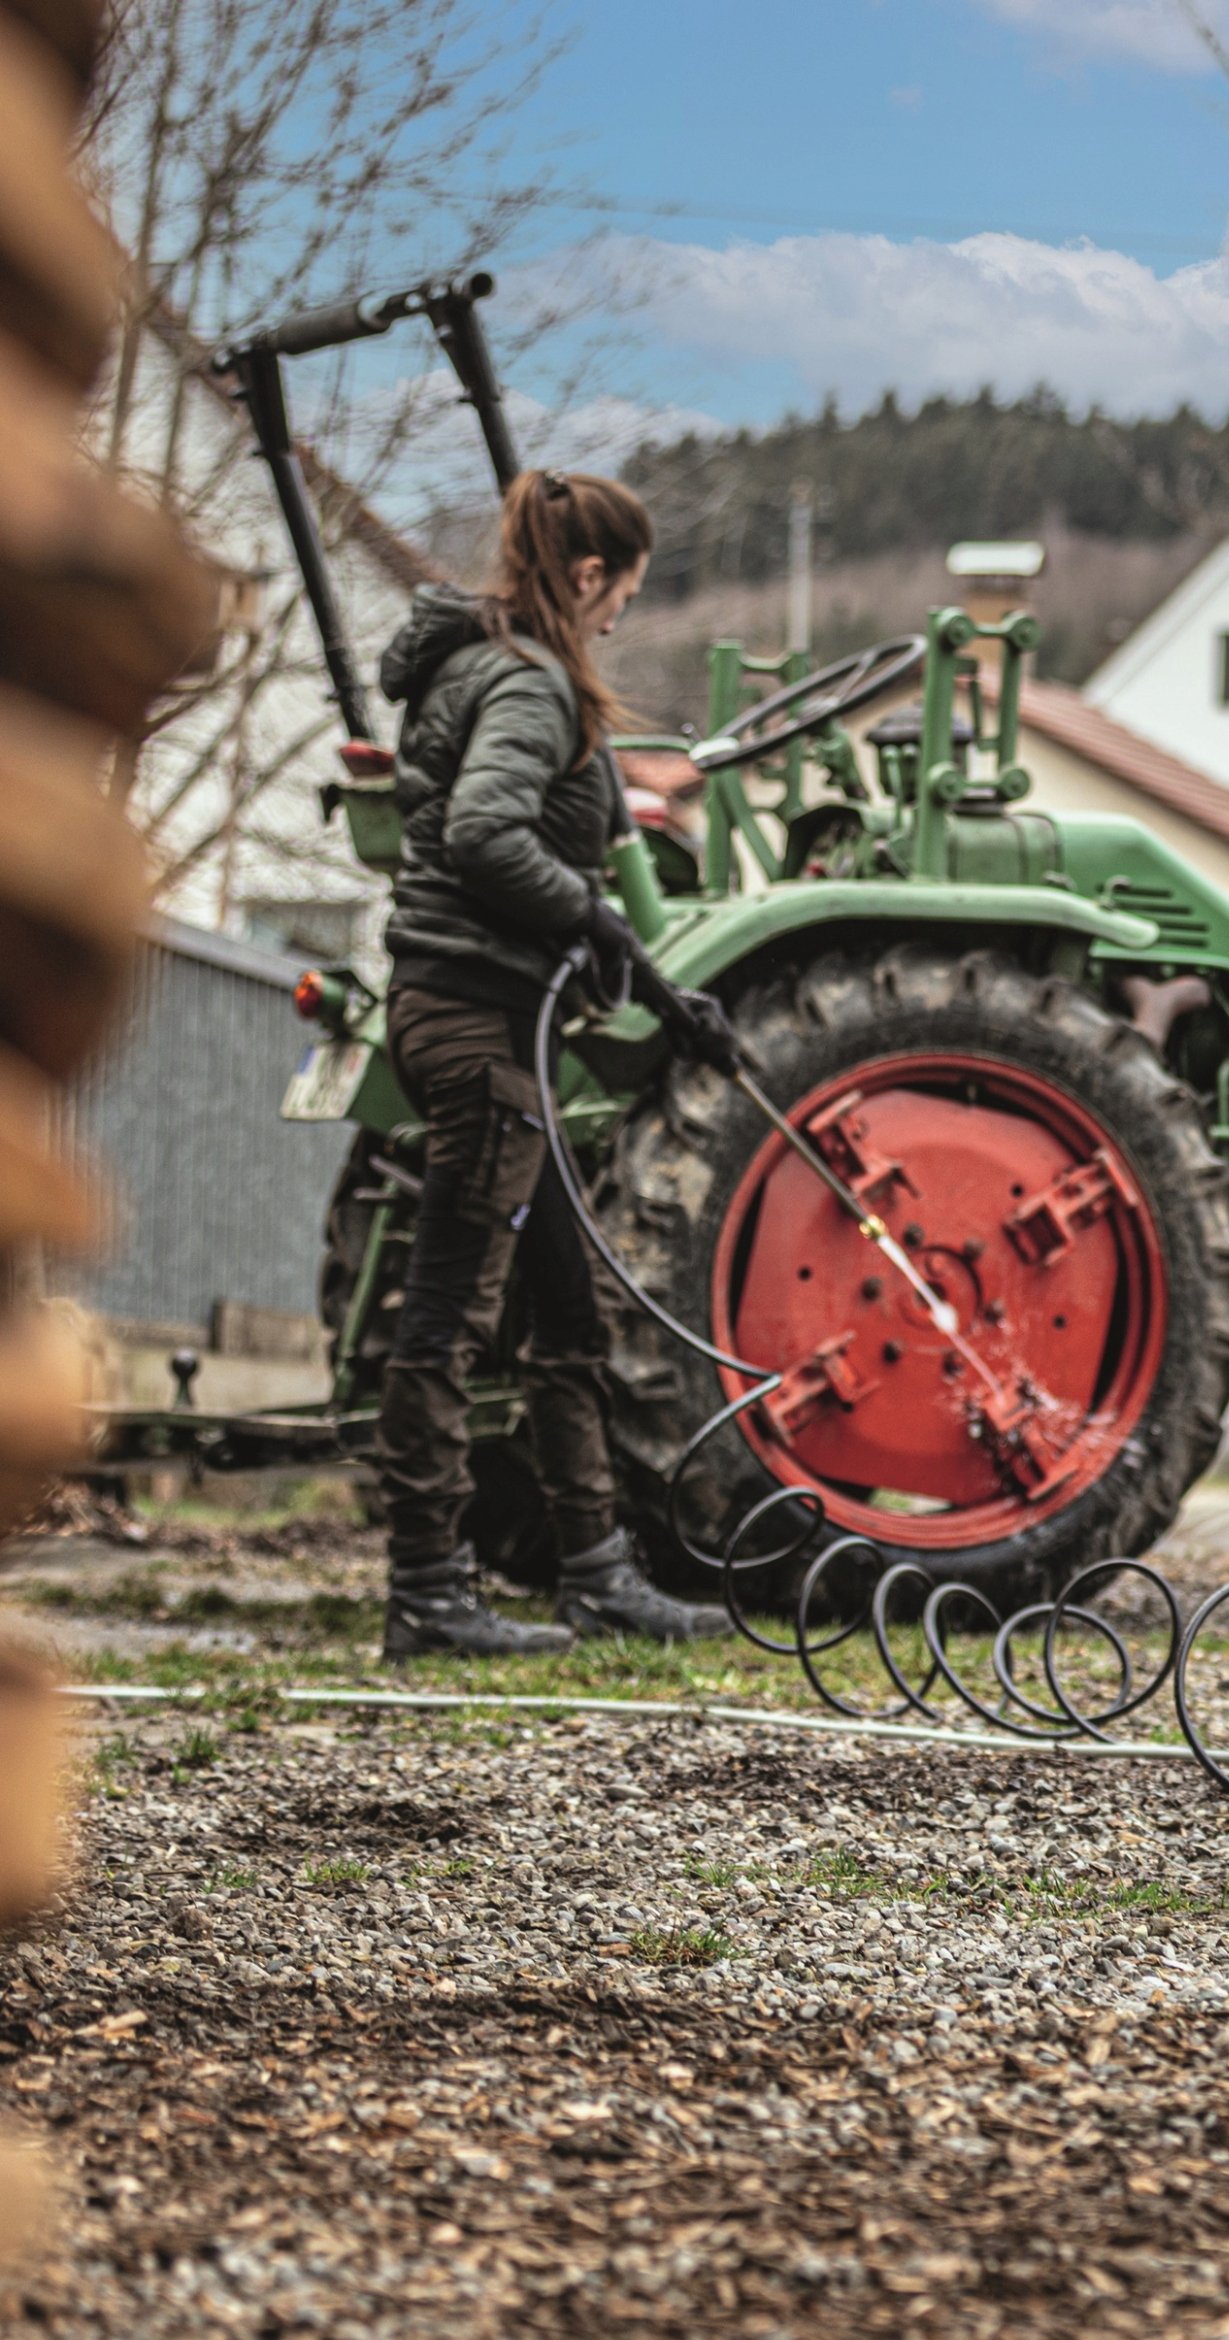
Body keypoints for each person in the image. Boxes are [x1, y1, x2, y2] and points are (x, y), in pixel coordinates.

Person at [373, 468, 736, 1662]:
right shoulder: (529, 680)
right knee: (448, 1315)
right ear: (588, 577)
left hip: (484, 1020)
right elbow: (485, 833)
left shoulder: (487, 663)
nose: (621, 615)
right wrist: (593, 912)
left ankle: (597, 1572)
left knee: (567, 1309)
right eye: (623, 593)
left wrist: (654, 988)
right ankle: (425, 1587)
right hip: (477, 1029)